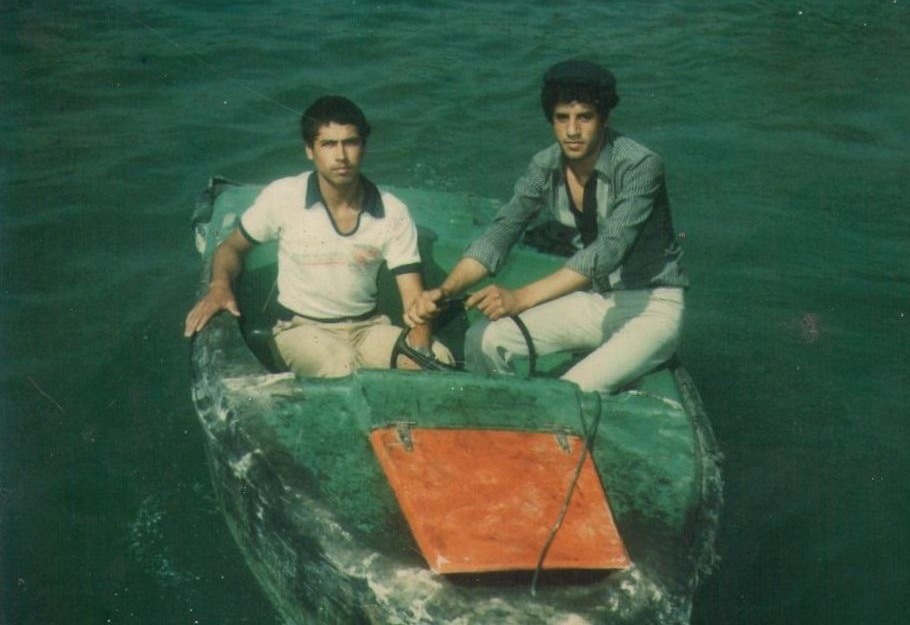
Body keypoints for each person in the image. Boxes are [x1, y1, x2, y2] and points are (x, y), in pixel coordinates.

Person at [404, 60, 688, 393]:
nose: (572, 131)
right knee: (484, 339)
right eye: (562, 118)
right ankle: (503, 413)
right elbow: (500, 233)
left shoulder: (639, 164)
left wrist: (521, 298)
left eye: (585, 117)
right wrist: (444, 291)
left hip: (652, 307)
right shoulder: (546, 165)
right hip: (598, 300)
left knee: (571, 390)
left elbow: (609, 249)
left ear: (605, 118)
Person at [185, 95, 452, 377]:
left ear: (363, 147)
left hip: (369, 327)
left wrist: (419, 351)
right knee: (342, 366)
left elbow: (414, 298)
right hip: (301, 328)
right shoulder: (284, 196)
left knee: (439, 358)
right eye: (328, 144)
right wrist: (219, 287)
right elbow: (231, 248)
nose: (341, 156)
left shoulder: (393, 211)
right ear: (310, 150)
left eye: (351, 142)